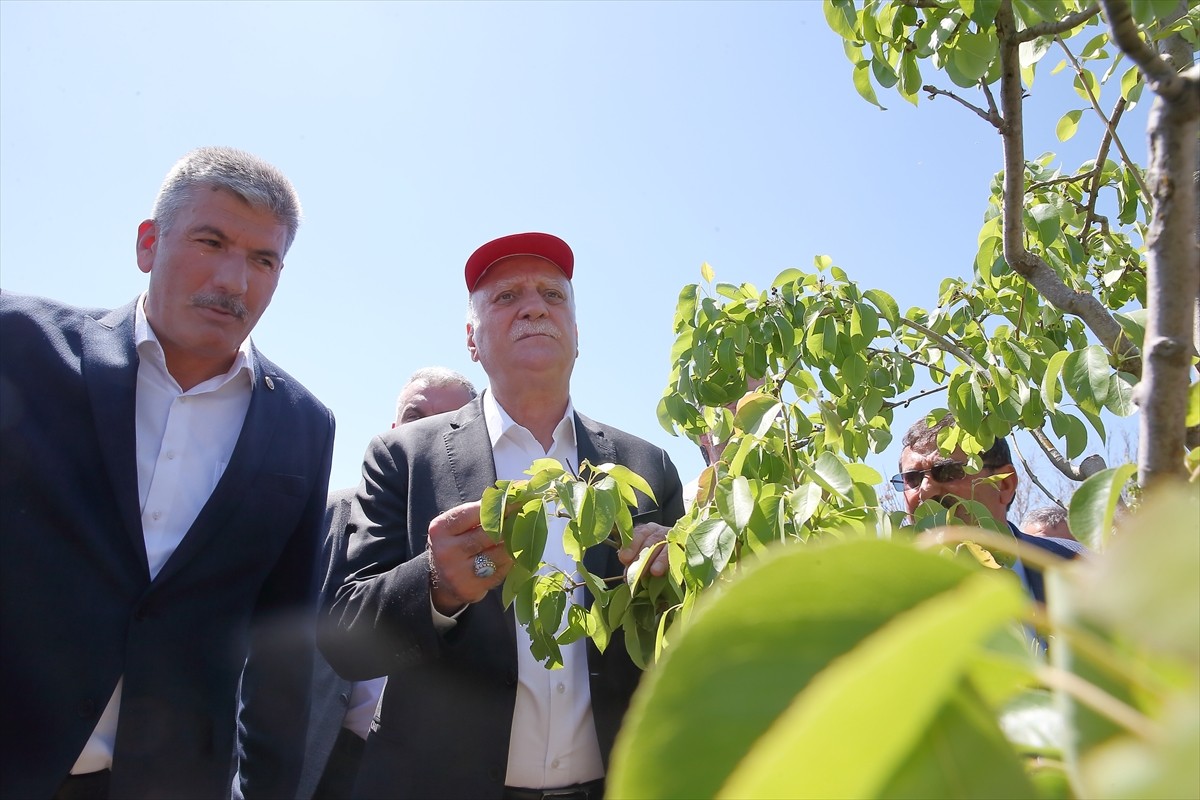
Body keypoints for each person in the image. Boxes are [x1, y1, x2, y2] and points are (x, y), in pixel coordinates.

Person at [0, 147, 335, 800]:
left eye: (263, 260)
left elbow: (283, 651)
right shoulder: (20, 345)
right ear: (148, 243)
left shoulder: (303, 425)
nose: (235, 281)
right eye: (211, 241)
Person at [320, 232, 684, 800]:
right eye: (506, 296)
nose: (535, 306)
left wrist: (673, 576)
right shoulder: (404, 457)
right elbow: (346, 641)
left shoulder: (647, 466)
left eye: (552, 295)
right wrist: (437, 588)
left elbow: (675, 645)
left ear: (577, 333)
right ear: (472, 339)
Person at [302, 368, 476, 800]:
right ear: (393, 429)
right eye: (415, 415)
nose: (424, 431)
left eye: (447, 422)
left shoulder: (490, 542)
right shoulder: (325, 517)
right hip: (318, 762)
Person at [891, 415, 1085, 604]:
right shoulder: (887, 592)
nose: (925, 490)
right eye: (912, 479)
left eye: (948, 472)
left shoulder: (1081, 567)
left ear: (1004, 484)